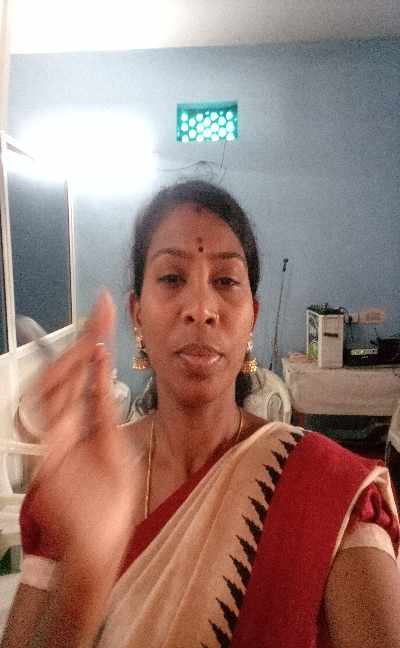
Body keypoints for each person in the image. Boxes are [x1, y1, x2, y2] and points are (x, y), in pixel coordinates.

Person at [2, 180, 400, 648]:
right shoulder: (75, 485)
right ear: (137, 313)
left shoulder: (327, 489)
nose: (201, 309)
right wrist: (88, 564)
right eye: (172, 278)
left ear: (252, 317)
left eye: (226, 281)